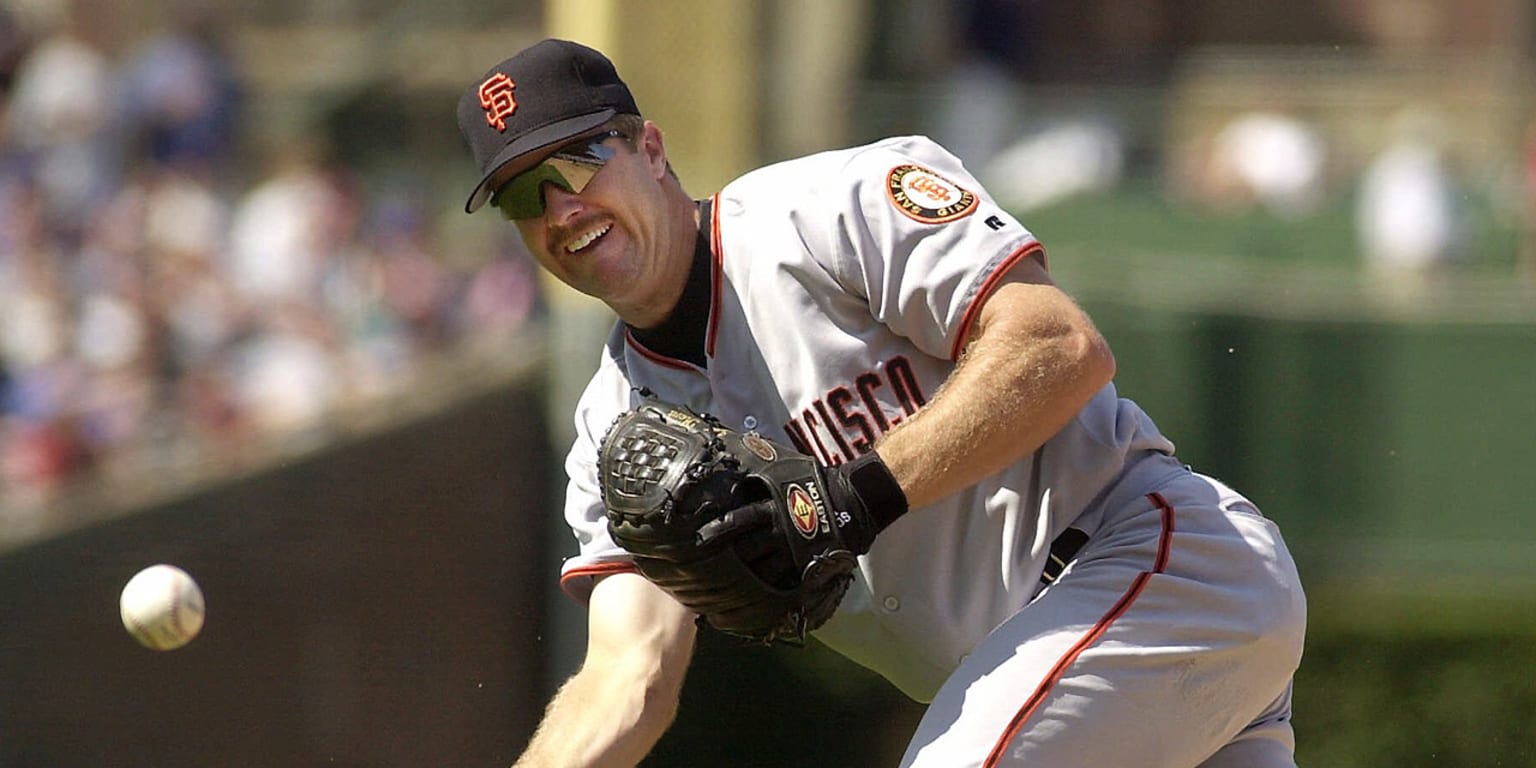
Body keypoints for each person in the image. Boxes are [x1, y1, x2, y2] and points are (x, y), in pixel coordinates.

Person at [456, 39, 1307, 768]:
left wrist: (847, 501)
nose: (563, 207)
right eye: (525, 196)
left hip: (1154, 569)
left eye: (578, 161)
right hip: (1061, 692)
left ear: (649, 147)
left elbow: (1058, 346)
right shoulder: (616, 430)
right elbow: (626, 677)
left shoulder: (823, 214)